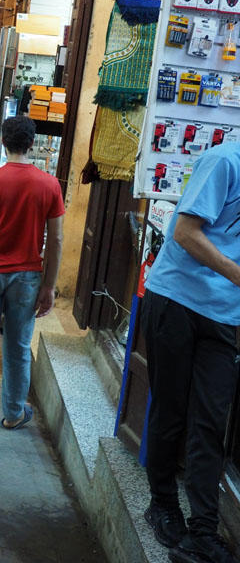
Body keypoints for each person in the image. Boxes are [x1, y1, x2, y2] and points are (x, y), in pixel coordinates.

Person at [141, 142, 240, 563]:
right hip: (176, 301)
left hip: (224, 316)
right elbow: (185, 232)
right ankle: (162, 504)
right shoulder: (224, 161)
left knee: (211, 422)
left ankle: (202, 531)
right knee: (171, 411)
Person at [0, 115, 64, 451]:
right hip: (27, 277)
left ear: (3, 142)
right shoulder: (49, 184)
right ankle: (14, 413)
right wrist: (48, 286)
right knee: (18, 346)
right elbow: (57, 240)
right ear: (31, 144)